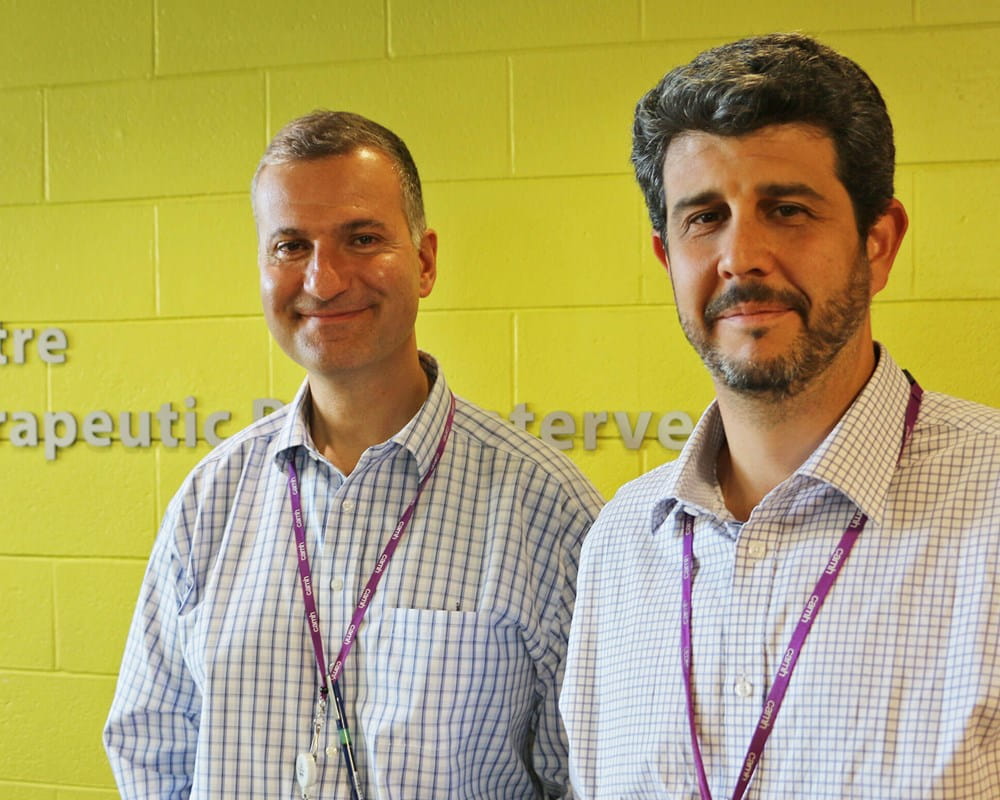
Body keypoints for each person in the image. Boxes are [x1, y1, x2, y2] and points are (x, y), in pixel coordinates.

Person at [104, 110, 604, 799]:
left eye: (361, 238)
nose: (324, 279)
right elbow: (150, 742)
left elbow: (586, 775)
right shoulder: (211, 497)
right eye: (290, 246)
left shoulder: (545, 506)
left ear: (424, 262)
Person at [560, 33, 1000, 799]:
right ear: (667, 257)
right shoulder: (621, 546)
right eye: (705, 217)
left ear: (880, 242)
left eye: (787, 210)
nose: (742, 256)